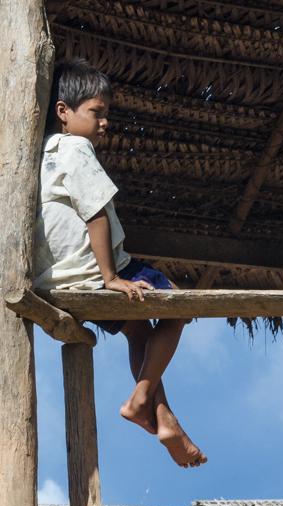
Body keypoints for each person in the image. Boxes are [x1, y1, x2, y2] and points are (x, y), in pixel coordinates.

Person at [34, 58, 207, 468]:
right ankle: (142, 398)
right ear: (63, 111)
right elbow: (95, 214)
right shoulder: (76, 149)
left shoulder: (39, 155)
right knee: (181, 305)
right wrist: (111, 277)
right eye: (97, 112)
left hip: (60, 278)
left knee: (136, 331)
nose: (104, 122)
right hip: (96, 272)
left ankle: (164, 420)